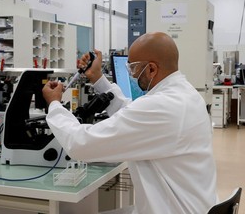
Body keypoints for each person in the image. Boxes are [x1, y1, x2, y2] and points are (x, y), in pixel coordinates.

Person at [42, 32, 218, 214]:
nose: (131, 74)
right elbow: (132, 114)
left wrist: (54, 105)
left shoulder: (161, 106)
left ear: (151, 69)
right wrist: (97, 78)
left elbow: (80, 144)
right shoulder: (185, 95)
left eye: (133, 68)